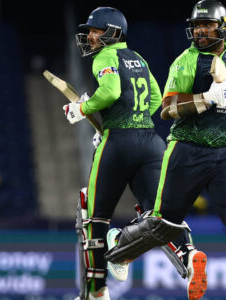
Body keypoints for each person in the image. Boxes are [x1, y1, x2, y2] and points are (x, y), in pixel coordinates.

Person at [104, 1, 226, 299]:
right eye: (197, 26)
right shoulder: (185, 61)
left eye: (208, 25)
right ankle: (118, 249)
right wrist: (207, 98)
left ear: (223, 28)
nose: (202, 31)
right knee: (163, 225)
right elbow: (167, 108)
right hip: (187, 151)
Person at [64, 7, 202, 300]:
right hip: (151, 141)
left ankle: (97, 291)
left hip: (119, 145)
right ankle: (189, 254)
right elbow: (154, 96)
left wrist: (83, 108)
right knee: (160, 213)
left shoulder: (105, 56)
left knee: (95, 218)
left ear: (113, 32)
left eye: (95, 31)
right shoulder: (137, 58)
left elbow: (111, 92)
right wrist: (132, 117)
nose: (89, 36)